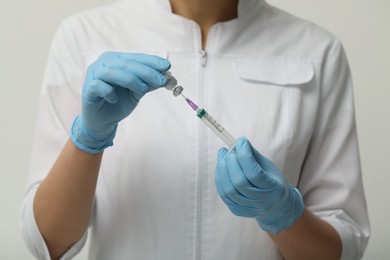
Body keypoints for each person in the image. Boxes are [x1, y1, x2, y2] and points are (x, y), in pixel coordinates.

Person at [20, 0, 370, 259]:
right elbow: (48, 243)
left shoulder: (316, 51)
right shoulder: (85, 36)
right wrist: (89, 139)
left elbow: (341, 246)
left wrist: (281, 214)